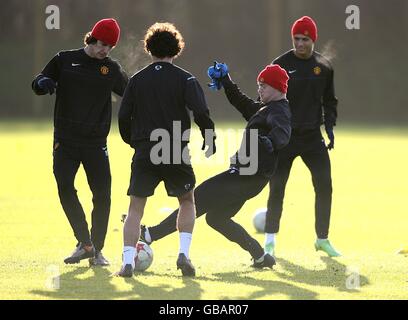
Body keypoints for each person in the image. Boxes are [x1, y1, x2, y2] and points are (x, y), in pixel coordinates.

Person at [139, 63, 291, 268]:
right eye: (259, 85)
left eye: (264, 85)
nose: (259, 89)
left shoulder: (279, 110)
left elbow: (283, 133)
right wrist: (226, 81)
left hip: (246, 176)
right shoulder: (265, 107)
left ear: (278, 88)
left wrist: (270, 142)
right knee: (217, 218)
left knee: (196, 199)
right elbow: (241, 102)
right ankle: (260, 255)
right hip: (249, 177)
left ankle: (151, 234)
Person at [116, 22, 216, 278]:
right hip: (174, 149)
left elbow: (123, 116)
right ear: (176, 49)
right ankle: (183, 254)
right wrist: (208, 135)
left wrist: (133, 141)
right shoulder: (186, 79)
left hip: (145, 150)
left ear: (148, 48)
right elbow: (201, 111)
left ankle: (128, 262)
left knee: (136, 208)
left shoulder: (137, 80)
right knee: (186, 201)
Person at [31, 18, 128, 266]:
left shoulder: (111, 69)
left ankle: (97, 250)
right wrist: (43, 83)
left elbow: (131, 96)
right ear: (92, 38)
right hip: (65, 141)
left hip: (96, 143)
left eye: (110, 46)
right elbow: (38, 82)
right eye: (102, 43)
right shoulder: (64, 59)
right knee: (65, 188)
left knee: (102, 196)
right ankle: (84, 242)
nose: (104, 49)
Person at [264, 16, 340, 257]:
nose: (299, 43)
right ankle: (269, 241)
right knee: (277, 188)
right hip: (285, 138)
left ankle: (322, 239)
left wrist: (329, 127)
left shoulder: (324, 67)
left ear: (313, 40)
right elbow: (264, 99)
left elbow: (330, 101)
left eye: (304, 39)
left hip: (311, 138)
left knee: (325, 186)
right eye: (296, 38)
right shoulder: (280, 64)